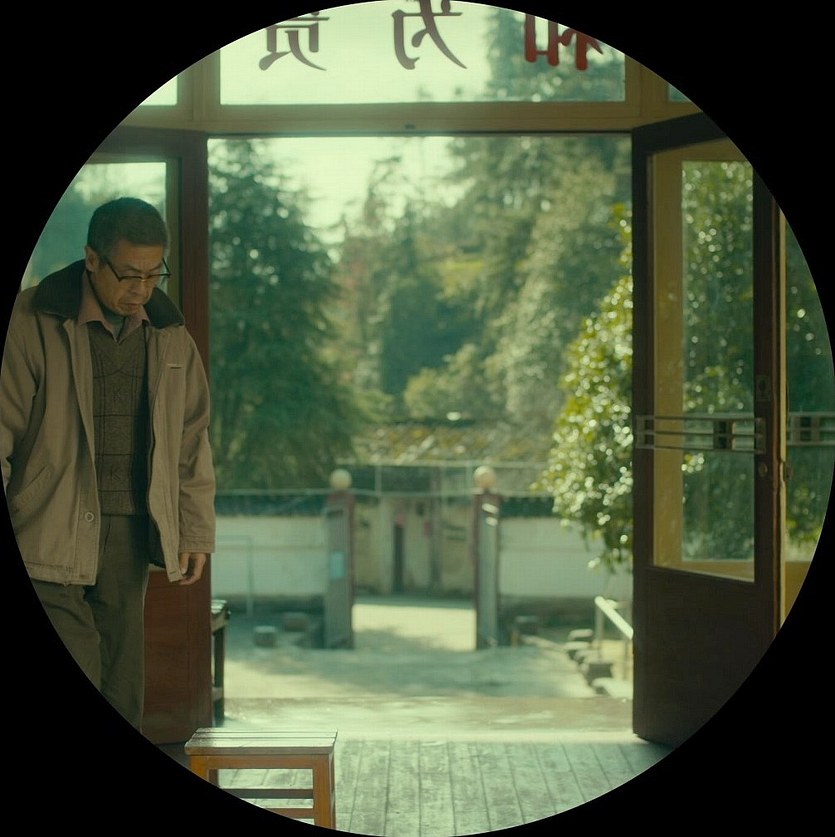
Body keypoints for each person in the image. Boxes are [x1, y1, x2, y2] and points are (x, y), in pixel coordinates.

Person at [1, 196, 216, 731]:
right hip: (43, 527)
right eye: (129, 275)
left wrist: (194, 530)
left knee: (122, 690)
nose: (142, 289)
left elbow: (191, 440)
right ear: (92, 259)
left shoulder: (170, 335)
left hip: (129, 533)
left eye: (154, 274)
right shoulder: (31, 321)